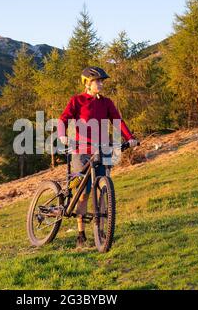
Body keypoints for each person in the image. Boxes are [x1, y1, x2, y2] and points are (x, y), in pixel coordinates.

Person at [58, 66, 139, 248]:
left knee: (103, 190)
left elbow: (117, 122)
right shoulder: (77, 101)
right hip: (81, 150)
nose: (101, 84)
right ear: (87, 83)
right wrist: (62, 135)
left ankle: (102, 230)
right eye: (98, 81)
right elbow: (63, 119)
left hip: (102, 150)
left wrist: (130, 138)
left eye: (102, 81)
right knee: (83, 193)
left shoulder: (106, 103)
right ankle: (81, 234)